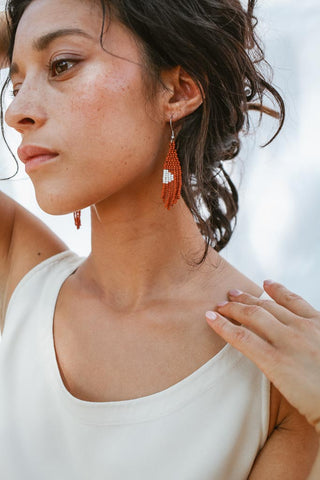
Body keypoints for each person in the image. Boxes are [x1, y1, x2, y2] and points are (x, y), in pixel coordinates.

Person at [0, 0, 319, 478]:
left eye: (62, 65)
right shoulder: (16, 280)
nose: (17, 112)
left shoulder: (282, 375)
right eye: (16, 83)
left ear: (178, 91)